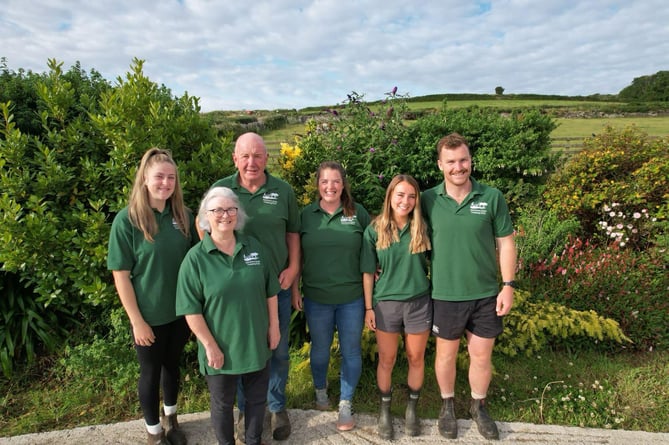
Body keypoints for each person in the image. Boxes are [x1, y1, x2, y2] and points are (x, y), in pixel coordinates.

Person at [421, 133, 516, 441]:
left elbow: (506, 242)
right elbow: (399, 230)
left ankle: (478, 406)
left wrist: (508, 285)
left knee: (481, 356)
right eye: (451, 162)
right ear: (440, 165)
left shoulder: (492, 196)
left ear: (470, 160)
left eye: (462, 160)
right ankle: (446, 406)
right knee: (445, 356)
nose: (458, 167)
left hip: (486, 294)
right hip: (445, 295)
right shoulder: (427, 199)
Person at [210, 132, 300, 441]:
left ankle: (276, 407)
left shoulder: (283, 191)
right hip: (239, 292)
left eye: (258, 155)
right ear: (234, 158)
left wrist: (293, 268)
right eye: (245, 156)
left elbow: (293, 234)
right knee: (238, 350)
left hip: (277, 286)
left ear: (267, 158)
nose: (252, 162)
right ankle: (246, 411)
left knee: (277, 349)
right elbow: (204, 230)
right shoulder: (221, 191)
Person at [176, 186, 280, 445]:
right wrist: (209, 345)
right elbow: (191, 309)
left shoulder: (254, 248)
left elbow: (270, 291)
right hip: (219, 347)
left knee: (257, 399)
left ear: (238, 213)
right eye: (217, 210)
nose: (225, 215)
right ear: (205, 217)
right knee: (222, 404)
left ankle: (253, 439)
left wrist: (275, 326)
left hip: (256, 342)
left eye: (231, 209)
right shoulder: (195, 259)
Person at [107, 148, 198, 445]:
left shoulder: (184, 216)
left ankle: (171, 420)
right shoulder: (128, 220)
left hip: (181, 313)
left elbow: (200, 263)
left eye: (171, 177)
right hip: (148, 316)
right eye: (159, 176)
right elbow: (121, 275)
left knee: (173, 367)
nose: (166, 182)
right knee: (150, 373)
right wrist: (137, 321)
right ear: (145, 178)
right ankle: (154, 433)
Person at [291, 161, 371, 431]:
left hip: (352, 298)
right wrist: (294, 288)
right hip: (317, 297)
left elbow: (370, 249)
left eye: (335, 181)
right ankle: (320, 391)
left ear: (343, 184)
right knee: (320, 351)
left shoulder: (357, 213)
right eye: (324, 181)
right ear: (317, 185)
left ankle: (346, 402)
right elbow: (296, 256)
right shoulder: (306, 215)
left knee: (351, 351)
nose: (330, 186)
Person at [361, 174, 432, 439]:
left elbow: (440, 259)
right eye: (400, 195)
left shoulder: (422, 227)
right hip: (386, 305)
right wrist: (369, 307)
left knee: (416, 358)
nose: (405, 201)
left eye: (411, 196)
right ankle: (385, 410)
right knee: (387, 359)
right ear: (390, 197)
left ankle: (412, 410)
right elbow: (368, 271)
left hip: (418, 303)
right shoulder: (374, 229)